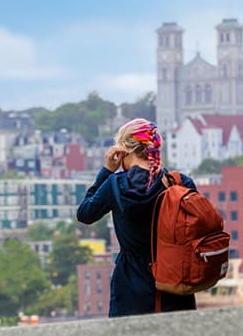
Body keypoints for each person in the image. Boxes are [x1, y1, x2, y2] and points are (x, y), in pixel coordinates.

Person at [77, 118, 198, 317]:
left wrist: (107, 171)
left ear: (124, 150)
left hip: (130, 285)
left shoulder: (115, 184)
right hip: (174, 283)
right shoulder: (179, 183)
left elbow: (85, 214)